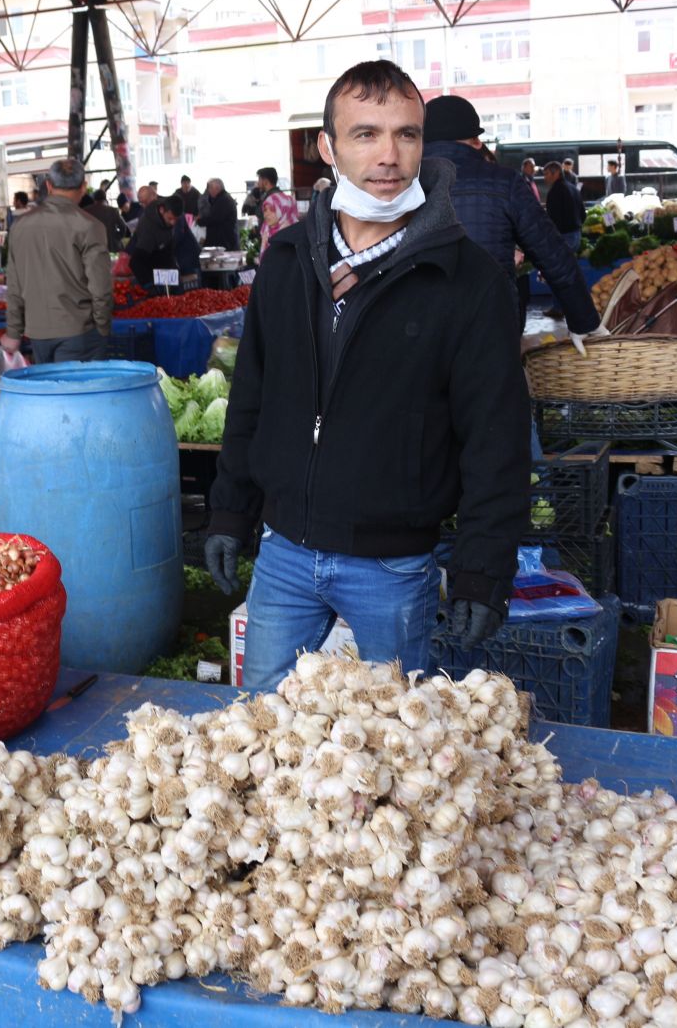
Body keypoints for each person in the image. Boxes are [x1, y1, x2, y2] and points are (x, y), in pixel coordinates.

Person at [204, 59, 529, 689]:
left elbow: (496, 437)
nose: (389, 155)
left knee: (389, 734)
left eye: (406, 134)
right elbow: (252, 399)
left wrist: (484, 566)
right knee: (261, 720)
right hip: (285, 553)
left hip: (392, 565)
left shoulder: (468, 281)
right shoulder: (287, 261)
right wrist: (229, 511)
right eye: (365, 134)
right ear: (328, 148)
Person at [422, 95, 602, 352]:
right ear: (476, 141)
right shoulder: (504, 182)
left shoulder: (399, 184)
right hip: (492, 325)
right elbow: (553, 254)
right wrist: (583, 319)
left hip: (421, 331)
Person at [0, 159, 113, 364]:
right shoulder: (89, 226)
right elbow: (100, 287)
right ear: (83, 187)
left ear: (49, 185)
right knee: (78, 385)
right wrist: (102, 326)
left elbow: (14, 284)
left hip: (38, 333)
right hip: (79, 330)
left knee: (49, 384)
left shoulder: (20, 226)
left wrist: (13, 331)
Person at [126, 196, 178, 286]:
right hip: (153, 275)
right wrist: (149, 284)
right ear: (162, 211)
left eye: (175, 219)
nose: (173, 222)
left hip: (166, 274)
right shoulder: (149, 226)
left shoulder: (169, 213)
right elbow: (135, 261)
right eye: (170, 218)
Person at [255, 166, 300, 257]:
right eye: (265, 210)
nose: (266, 215)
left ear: (265, 181)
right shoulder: (284, 198)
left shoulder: (272, 199)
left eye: (259, 179)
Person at [542, 161, 582, 250]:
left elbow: (552, 218)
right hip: (577, 236)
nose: (545, 177)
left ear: (556, 173)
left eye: (546, 174)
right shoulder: (574, 189)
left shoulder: (554, 191)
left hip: (564, 237)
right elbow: (582, 214)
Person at [198, 178, 239, 251]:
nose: (209, 190)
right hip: (224, 240)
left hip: (224, 241)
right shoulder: (222, 198)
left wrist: (200, 221)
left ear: (217, 188)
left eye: (210, 188)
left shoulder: (223, 200)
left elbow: (214, 219)